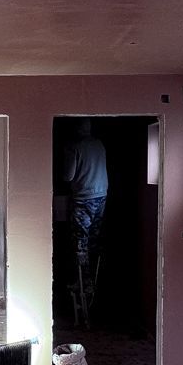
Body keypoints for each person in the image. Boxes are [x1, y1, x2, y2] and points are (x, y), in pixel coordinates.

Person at [61, 119, 107, 294]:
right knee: (94, 239)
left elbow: (68, 176)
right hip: (101, 194)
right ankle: (93, 282)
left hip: (84, 197)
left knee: (81, 242)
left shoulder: (75, 147)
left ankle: (83, 283)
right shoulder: (99, 144)